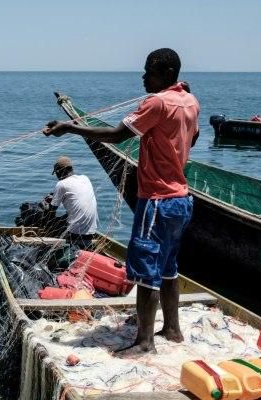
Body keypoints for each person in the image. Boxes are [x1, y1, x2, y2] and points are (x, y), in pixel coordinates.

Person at [44, 48, 199, 355]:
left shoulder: (157, 102)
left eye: (149, 72)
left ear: (167, 73)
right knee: (168, 268)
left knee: (146, 273)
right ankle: (172, 329)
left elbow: (117, 135)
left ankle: (144, 341)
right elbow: (192, 139)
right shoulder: (190, 101)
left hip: (156, 201)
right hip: (182, 200)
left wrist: (70, 128)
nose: (143, 78)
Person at [45, 156, 98, 249]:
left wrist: (47, 228)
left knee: (50, 217)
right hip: (92, 230)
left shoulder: (61, 184)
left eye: (57, 173)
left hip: (76, 232)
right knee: (67, 216)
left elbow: (51, 212)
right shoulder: (85, 178)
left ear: (59, 171)